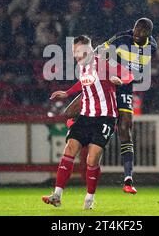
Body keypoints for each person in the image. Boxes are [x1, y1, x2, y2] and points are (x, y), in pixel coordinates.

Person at [63, 18, 157, 194]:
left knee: (125, 129)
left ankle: (128, 179)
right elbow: (99, 51)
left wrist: (122, 74)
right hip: (103, 82)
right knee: (67, 113)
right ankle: (80, 129)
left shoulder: (152, 47)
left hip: (123, 86)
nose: (137, 33)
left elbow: (135, 71)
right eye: (136, 29)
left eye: (141, 32)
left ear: (148, 34)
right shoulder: (122, 38)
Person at [42, 35, 134, 209]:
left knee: (92, 158)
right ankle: (57, 195)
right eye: (74, 52)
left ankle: (89, 199)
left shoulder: (104, 62)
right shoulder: (82, 67)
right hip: (85, 116)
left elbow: (128, 74)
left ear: (89, 50)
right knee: (70, 149)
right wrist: (67, 92)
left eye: (78, 51)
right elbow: (83, 84)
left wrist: (120, 80)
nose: (76, 55)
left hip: (105, 117)